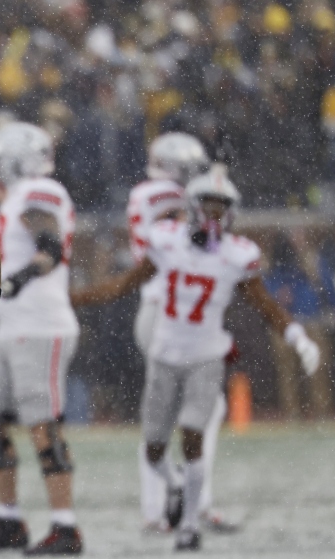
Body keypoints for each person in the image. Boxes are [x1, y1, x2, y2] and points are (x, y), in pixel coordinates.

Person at [73, 165, 320, 551]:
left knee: (192, 434)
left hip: (206, 356)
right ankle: (174, 486)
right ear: (191, 206)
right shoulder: (167, 241)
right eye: (208, 205)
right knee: (154, 447)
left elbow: (265, 305)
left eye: (222, 207)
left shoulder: (237, 255)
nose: (214, 214)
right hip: (164, 355)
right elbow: (125, 284)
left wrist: (298, 337)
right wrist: (76, 299)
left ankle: (189, 525)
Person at [0, 122, 82, 556]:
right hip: (11, 326)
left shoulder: (38, 190)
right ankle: (8, 519)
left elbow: (50, 247)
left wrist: (19, 279)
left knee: (43, 424)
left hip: (41, 324)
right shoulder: (13, 200)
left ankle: (65, 526)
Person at [127, 133, 238, 534]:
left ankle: (179, 502)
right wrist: (218, 177)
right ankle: (171, 507)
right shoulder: (158, 195)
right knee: (173, 413)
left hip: (169, 309)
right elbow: (195, 221)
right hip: (165, 310)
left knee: (189, 410)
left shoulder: (149, 193)